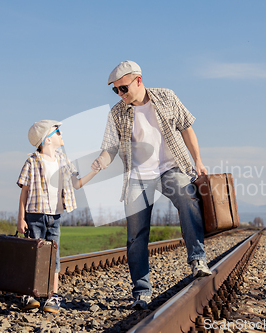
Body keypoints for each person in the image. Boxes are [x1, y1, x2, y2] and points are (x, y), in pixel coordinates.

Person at [91, 61, 212, 310]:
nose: (120, 94)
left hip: (171, 167)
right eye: (115, 90)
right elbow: (110, 148)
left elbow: (187, 128)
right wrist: (101, 161)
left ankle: (198, 260)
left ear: (138, 80)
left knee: (188, 198)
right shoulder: (117, 112)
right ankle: (141, 292)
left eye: (123, 88)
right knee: (136, 235)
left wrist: (198, 161)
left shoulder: (167, 97)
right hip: (137, 175)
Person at [17, 120, 98, 313]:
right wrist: (20, 218)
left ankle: (52, 296)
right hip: (34, 216)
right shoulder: (32, 161)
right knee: (34, 256)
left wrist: (94, 172)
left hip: (55, 217)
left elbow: (76, 184)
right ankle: (30, 294)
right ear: (47, 140)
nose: (61, 134)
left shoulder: (63, 160)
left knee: (54, 257)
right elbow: (24, 192)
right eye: (58, 131)